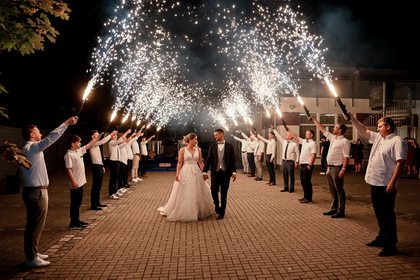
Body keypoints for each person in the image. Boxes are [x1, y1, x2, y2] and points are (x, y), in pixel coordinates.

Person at [20, 116, 78, 268]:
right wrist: (66, 123)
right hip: (36, 193)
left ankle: (33, 252)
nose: (40, 133)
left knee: (36, 225)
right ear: (32, 134)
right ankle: (31, 257)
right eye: (38, 131)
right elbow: (52, 138)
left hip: (36, 191)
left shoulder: (28, 149)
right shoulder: (31, 148)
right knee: (34, 226)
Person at [349, 113, 407, 256]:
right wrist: (351, 117)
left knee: (387, 215)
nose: (378, 128)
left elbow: (401, 163)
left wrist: (392, 183)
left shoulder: (397, 141)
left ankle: (391, 245)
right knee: (379, 213)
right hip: (375, 182)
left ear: (388, 126)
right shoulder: (379, 138)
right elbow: (363, 130)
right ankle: (382, 237)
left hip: (386, 184)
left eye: (380, 126)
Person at [157, 133, 214, 222]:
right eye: (195, 139)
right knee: (186, 191)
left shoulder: (198, 150)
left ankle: (199, 211)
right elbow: (179, 163)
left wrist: (204, 172)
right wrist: (177, 174)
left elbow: (201, 162)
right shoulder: (182, 150)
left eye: (196, 139)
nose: (196, 141)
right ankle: (186, 211)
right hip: (186, 172)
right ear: (190, 140)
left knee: (198, 190)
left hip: (196, 172)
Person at [311, 119, 351, 218]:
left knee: (339, 190)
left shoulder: (345, 141)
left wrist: (343, 169)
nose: (333, 128)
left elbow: (346, 157)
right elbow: (322, 129)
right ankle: (334, 209)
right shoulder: (333, 138)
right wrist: (313, 120)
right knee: (333, 190)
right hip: (329, 168)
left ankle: (341, 211)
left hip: (337, 168)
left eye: (335, 127)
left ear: (340, 130)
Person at [64, 135, 97, 229]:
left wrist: (97, 138)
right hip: (75, 183)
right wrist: (73, 181)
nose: (80, 143)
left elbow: (89, 145)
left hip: (81, 182)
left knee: (78, 202)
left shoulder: (79, 151)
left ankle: (77, 220)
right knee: (74, 203)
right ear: (72, 143)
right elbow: (68, 169)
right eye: (78, 142)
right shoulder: (68, 155)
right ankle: (73, 223)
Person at [203, 128, 237, 219]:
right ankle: (217, 206)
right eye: (214, 135)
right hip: (215, 172)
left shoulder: (230, 146)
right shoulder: (212, 146)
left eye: (216, 135)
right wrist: (204, 171)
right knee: (213, 191)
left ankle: (222, 212)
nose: (215, 137)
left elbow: (233, 160)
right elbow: (209, 159)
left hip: (226, 173)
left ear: (222, 134)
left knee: (224, 193)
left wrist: (234, 172)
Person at [89, 130, 117, 210]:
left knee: (98, 186)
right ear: (92, 136)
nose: (98, 136)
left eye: (98, 135)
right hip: (95, 167)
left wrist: (102, 166)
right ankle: (93, 204)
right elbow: (102, 141)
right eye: (96, 135)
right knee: (95, 186)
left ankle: (97, 202)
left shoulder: (97, 145)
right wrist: (111, 134)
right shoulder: (92, 143)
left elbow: (98, 157)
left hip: (99, 166)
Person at [290, 129, 317, 203]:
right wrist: (288, 129)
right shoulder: (304, 141)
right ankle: (305, 196)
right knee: (303, 181)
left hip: (307, 165)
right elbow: (296, 137)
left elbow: (314, 155)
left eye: (307, 134)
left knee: (307, 181)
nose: (306, 135)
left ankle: (309, 198)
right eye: (306, 134)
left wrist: (310, 165)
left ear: (311, 135)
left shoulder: (313, 143)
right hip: (302, 164)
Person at [271, 127, 299, 192]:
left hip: (290, 162)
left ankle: (291, 188)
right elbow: (278, 136)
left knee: (291, 175)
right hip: (284, 161)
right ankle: (286, 187)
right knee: (285, 175)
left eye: (287, 135)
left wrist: (297, 162)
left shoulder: (294, 144)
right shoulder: (284, 142)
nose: (285, 136)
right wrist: (274, 129)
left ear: (290, 137)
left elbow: (297, 153)